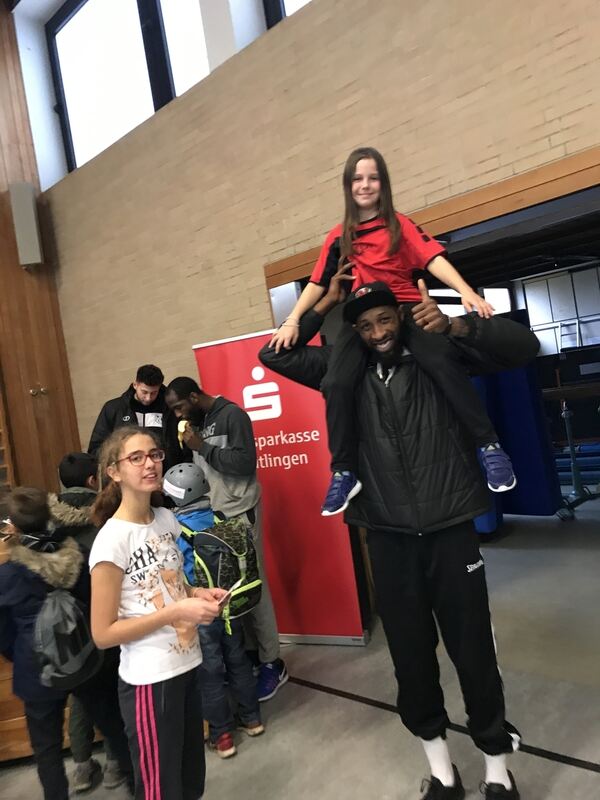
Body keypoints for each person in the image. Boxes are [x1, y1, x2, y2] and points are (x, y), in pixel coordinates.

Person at [260, 270, 540, 799]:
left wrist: (459, 325)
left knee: (474, 653)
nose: (377, 331)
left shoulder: (437, 351)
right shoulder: (342, 368)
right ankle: (442, 774)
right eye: (364, 325)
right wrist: (321, 307)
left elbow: (525, 346)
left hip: (450, 526)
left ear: (402, 317)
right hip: (385, 535)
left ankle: (498, 774)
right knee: (411, 659)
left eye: (385, 319)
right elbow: (273, 356)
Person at [269, 146, 516, 517]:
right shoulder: (339, 236)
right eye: (358, 178)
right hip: (362, 318)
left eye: (373, 178)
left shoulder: (399, 224)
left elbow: (432, 259)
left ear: (383, 184)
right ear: (348, 185)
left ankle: (489, 447)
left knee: (442, 359)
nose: (365, 185)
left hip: (402, 309)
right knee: (336, 382)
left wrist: (465, 290)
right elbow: (318, 283)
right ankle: (344, 471)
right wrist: (292, 319)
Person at [89, 427, 225, 800]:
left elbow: (174, 587)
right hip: (150, 682)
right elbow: (103, 633)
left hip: (186, 666)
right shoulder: (111, 541)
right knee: (161, 790)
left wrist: (200, 594)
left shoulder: (165, 519)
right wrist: (175, 612)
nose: (149, 463)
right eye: (136, 457)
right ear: (114, 471)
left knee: (190, 782)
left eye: (155, 454)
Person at [0, 487, 133, 800]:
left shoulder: (8, 575)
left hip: (36, 669)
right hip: (87, 656)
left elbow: (4, 632)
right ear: (51, 516)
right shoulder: (79, 552)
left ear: (12, 527)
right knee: (115, 729)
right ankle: (138, 787)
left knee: (46, 750)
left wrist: (19, 655)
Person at [165, 377, 288, 702]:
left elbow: (245, 463)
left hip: (240, 513)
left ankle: (272, 662)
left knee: (252, 585)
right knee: (227, 591)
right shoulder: (196, 423)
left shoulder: (232, 415)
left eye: (179, 406)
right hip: (215, 517)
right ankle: (250, 657)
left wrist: (201, 447)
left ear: (194, 396)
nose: (178, 414)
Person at [163, 463, 264, 759]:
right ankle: (252, 718)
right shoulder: (219, 517)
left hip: (201, 611)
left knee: (210, 673)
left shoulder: (177, 530)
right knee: (238, 661)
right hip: (230, 605)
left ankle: (222, 736)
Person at [49, 451, 127, 792]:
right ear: (94, 482)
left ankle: (81, 766)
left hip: (67, 625)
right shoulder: (105, 520)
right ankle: (114, 763)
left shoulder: (45, 522)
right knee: (111, 690)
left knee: (81, 695)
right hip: (106, 617)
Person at [87, 364, 188, 469]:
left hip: (169, 473)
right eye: (144, 392)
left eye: (154, 393)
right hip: (128, 475)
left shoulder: (170, 409)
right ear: (135, 385)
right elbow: (96, 449)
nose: (148, 398)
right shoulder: (114, 408)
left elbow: (185, 445)